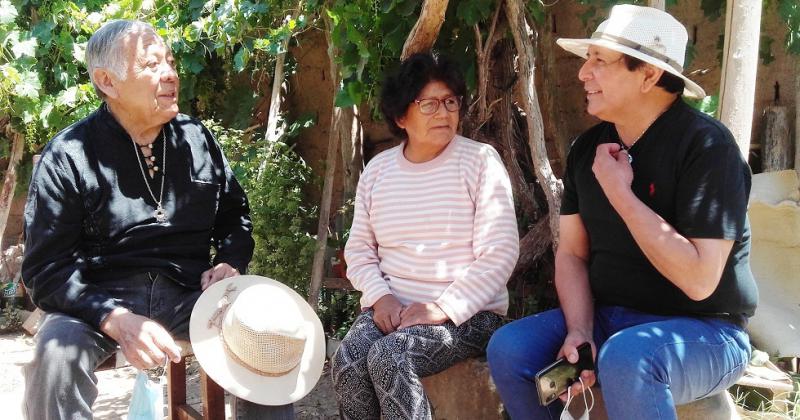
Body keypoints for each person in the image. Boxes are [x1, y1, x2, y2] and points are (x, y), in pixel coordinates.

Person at [487, 5, 758, 419]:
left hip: (707, 330)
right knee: (509, 349)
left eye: (600, 61)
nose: (582, 73)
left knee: (630, 356)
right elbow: (572, 253)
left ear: (649, 75)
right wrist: (579, 328)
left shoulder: (708, 150)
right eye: (587, 59)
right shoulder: (587, 148)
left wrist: (622, 195)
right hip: (610, 318)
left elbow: (700, 281)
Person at [21, 20, 292, 419]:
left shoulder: (195, 139)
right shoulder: (70, 155)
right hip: (100, 299)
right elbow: (46, 269)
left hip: (192, 294)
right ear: (107, 82)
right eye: (151, 65)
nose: (170, 74)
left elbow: (235, 217)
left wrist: (230, 261)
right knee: (55, 354)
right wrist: (115, 319)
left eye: (170, 61)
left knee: (264, 335)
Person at [330, 53, 520, 420]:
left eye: (450, 102)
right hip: (395, 308)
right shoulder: (378, 171)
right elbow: (360, 250)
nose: (444, 113)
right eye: (429, 104)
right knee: (349, 359)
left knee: (390, 356)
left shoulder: (480, 161)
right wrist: (380, 297)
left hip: (470, 314)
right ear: (402, 116)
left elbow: (500, 252)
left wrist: (442, 308)